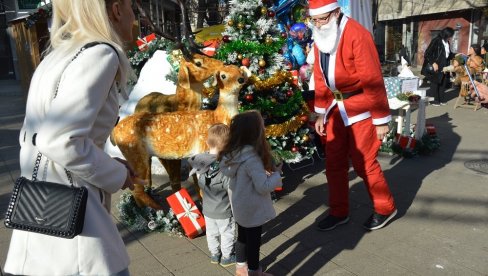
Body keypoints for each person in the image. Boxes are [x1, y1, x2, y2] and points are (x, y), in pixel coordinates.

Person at [4, 0, 136, 275]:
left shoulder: (59, 55)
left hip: (40, 216)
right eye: (131, 6)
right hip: (78, 233)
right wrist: (115, 174)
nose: (134, 17)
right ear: (116, 9)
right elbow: (59, 140)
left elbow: (35, 135)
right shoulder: (100, 54)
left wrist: (108, 163)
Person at [307, 0, 397, 232]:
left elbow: (373, 79)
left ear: (336, 12)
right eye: (314, 20)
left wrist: (380, 119)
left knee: (364, 163)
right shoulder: (320, 36)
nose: (317, 24)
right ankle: (339, 211)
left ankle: (385, 208)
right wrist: (319, 114)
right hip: (334, 110)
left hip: (361, 107)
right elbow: (320, 77)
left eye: (322, 19)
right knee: (334, 163)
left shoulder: (358, 34)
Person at [219, 111, 282, 276]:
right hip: (253, 207)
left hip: (239, 205)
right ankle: (254, 272)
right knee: (254, 242)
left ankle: (241, 267)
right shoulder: (252, 158)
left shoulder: (233, 153)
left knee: (242, 237)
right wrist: (276, 175)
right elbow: (262, 186)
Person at [187, 123, 236, 267]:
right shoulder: (226, 168)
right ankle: (227, 257)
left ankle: (215, 255)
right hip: (224, 210)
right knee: (227, 233)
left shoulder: (200, 163)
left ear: (208, 142)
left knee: (211, 232)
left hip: (208, 208)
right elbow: (232, 191)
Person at [421, 27, 456, 106]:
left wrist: (455, 55)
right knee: (435, 83)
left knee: (443, 83)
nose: (451, 37)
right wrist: (433, 63)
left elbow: (448, 54)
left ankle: (441, 99)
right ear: (446, 34)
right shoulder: (436, 41)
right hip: (436, 65)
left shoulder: (447, 42)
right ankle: (433, 100)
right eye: (450, 35)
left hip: (445, 66)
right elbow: (427, 53)